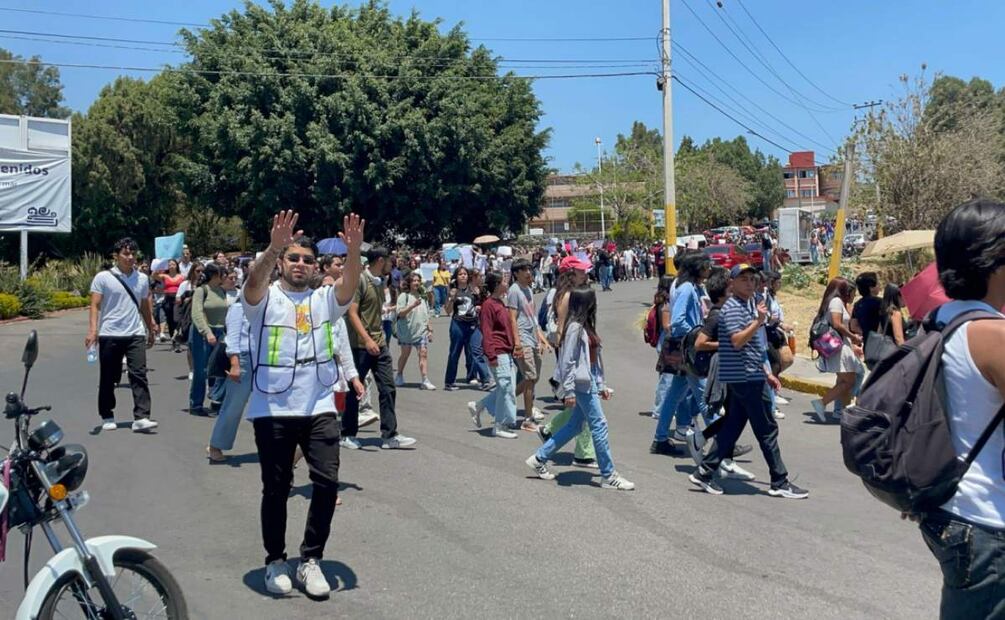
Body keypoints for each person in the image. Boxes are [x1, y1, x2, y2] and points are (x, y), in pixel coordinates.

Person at [241, 211, 363, 599]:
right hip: (272, 407)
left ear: (316, 266)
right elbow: (252, 284)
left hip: (320, 404)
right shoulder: (264, 299)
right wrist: (274, 245)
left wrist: (354, 251)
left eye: (308, 260)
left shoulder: (325, 300)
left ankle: (311, 559)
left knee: (326, 483)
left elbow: (349, 286)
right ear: (282, 262)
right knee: (275, 488)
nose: (300, 265)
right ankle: (275, 560)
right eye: (293, 258)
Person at [923, 198, 1005, 619]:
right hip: (990, 523)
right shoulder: (994, 335)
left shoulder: (938, 320)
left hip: (949, 509)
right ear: (996, 262)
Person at [689, 264, 808, 499]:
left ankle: (705, 471)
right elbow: (736, 341)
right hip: (745, 377)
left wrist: (767, 373)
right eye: (743, 279)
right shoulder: (734, 308)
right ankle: (779, 481)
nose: (750, 283)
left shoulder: (747, 305)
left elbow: (752, 347)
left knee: (732, 426)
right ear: (731, 284)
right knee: (767, 430)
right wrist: (758, 322)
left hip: (749, 374)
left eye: (752, 279)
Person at [525, 285, 635, 490]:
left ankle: (539, 458)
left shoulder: (584, 325)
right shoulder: (575, 327)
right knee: (599, 425)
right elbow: (567, 362)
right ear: (588, 303)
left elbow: (593, 361)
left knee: (575, 425)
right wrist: (568, 391)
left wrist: (600, 384)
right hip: (580, 384)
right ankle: (609, 474)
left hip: (588, 381)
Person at [341, 246, 417, 450]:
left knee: (388, 387)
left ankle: (390, 435)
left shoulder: (380, 282)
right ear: (380, 261)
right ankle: (347, 433)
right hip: (360, 345)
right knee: (355, 391)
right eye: (390, 261)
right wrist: (366, 339)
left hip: (379, 343)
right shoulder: (360, 281)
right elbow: (352, 313)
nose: (392, 266)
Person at [86, 237, 159, 433]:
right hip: (110, 333)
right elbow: (95, 305)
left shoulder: (142, 278)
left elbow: (144, 304)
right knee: (109, 377)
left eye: (133, 254)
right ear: (116, 255)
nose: (130, 257)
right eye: (126, 253)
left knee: (139, 373)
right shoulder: (103, 278)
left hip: (135, 333)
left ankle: (142, 417)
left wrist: (150, 324)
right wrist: (93, 330)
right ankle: (107, 414)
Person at [651, 254, 711, 456]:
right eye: (706, 265)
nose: (708, 269)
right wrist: (696, 334)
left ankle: (660, 439)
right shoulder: (686, 288)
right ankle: (724, 439)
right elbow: (677, 321)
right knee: (704, 396)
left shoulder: (686, 285)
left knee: (673, 396)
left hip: (685, 348)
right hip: (689, 349)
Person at [467, 271, 521, 438]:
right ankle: (500, 424)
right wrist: (491, 355)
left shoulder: (500, 303)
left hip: (506, 350)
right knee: (506, 387)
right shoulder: (489, 305)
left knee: (508, 386)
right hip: (497, 351)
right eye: (504, 281)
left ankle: (480, 406)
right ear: (497, 285)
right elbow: (487, 331)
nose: (507, 282)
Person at [810, 278, 865, 423]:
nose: (853, 295)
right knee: (849, 381)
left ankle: (842, 411)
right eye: (852, 292)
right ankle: (821, 403)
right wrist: (853, 337)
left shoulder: (838, 302)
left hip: (842, 344)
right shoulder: (836, 302)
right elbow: (837, 323)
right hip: (839, 346)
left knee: (844, 381)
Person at [508, 258, 548, 430]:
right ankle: (527, 418)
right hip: (522, 339)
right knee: (530, 378)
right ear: (516, 273)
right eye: (525, 270)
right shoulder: (514, 291)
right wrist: (517, 343)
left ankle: (502, 400)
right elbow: (512, 319)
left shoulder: (529, 290)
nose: (529, 273)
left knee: (534, 377)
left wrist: (542, 338)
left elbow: (533, 318)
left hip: (532, 338)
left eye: (530, 269)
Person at [189, 262, 229, 416]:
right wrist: (207, 332)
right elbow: (197, 313)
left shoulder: (221, 291)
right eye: (221, 274)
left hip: (220, 332)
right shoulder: (201, 291)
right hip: (203, 333)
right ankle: (196, 404)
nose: (224, 276)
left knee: (222, 368)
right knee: (201, 370)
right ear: (214, 275)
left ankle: (217, 400)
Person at [394, 272, 436, 390]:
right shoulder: (404, 296)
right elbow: (400, 313)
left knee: (423, 353)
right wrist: (412, 306)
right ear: (409, 283)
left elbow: (426, 314)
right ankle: (399, 374)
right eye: (414, 281)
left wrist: (430, 329)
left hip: (421, 331)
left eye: (418, 281)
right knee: (405, 355)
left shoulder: (422, 297)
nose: (416, 283)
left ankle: (425, 379)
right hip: (407, 332)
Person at [443, 266, 479, 391]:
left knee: (473, 351)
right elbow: (447, 310)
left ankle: (472, 376)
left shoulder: (473, 290)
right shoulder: (453, 291)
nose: (463, 276)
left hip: (472, 323)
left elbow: (478, 305)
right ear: (456, 277)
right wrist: (451, 298)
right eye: (460, 274)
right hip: (458, 324)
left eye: (465, 274)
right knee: (455, 352)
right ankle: (449, 381)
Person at [154, 259, 184, 343]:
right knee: (170, 320)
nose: (171, 266)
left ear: (177, 266)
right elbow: (154, 275)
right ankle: (173, 338)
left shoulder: (181, 276)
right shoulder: (165, 276)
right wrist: (159, 266)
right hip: (167, 299)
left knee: (176, 319)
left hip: (178, 299)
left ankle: (177, 336)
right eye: (169, 264)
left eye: (173, 264)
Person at [850, 272, 882, 347]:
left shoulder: (857, 305)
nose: (879, 286)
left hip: (868, 345)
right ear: (871, 288)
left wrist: (866, 332)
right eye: (877, 283)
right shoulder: (880, 302)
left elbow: (853, 326)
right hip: (881, 344)